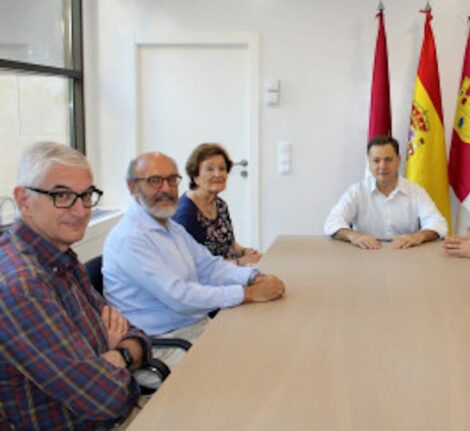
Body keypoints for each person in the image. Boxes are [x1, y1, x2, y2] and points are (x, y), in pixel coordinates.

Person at [0, 142, 149, 429]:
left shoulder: (60, 256)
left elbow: (136, 334)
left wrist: (116, 356)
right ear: (23, 199)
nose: (81, 211)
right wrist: (121, 361)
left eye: (86, 195)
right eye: (62, 195)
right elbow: (108, 399)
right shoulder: (22, 285)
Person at [103, 152, 284, 366]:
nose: (167, 188)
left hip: (195, 327)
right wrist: (248, 293)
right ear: (133, 187)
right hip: (164, 344)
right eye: (154, 181)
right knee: (254, 361)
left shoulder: (171, 227)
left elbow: (210, 267)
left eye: (172, 180)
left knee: (270, 342)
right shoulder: (130, 239)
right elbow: (180, 297)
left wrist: (254, 277)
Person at [324, 135, 448, 249]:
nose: (382, 166)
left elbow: (439, 224)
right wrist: (355, 236)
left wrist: (417, 237)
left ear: (398, 161)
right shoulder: (356, 191)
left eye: (388, 160)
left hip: (405, 255)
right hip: (365, 255)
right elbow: (332, 222)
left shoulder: (416, 191)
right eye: (376, 160)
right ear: (369, 163)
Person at [173, 143, 261, 265]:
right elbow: (194, 266)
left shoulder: (220, 204)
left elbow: (229, 243)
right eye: (210, 169)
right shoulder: (186, 214)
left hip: (229, 271)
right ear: (195, 176)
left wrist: (246, 252)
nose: (218, 174)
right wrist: (240, 262)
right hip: (208, 280)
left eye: (222, 168)